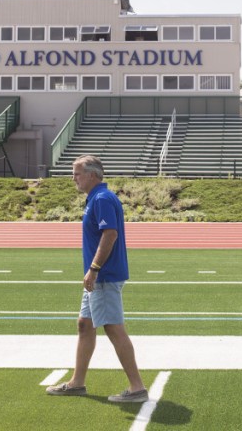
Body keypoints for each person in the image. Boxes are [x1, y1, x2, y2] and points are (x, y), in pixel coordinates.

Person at [46, 154, 148, 403]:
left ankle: (137, 388)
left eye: (77, 173)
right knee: (85, 324)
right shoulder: (97, 198)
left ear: (92, 175)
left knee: (113, 328)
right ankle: (77, 383)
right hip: (99, 276)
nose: (74, 179)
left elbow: (109, 234)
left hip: (103, 275)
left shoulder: (101, 199)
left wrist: (94, 268)